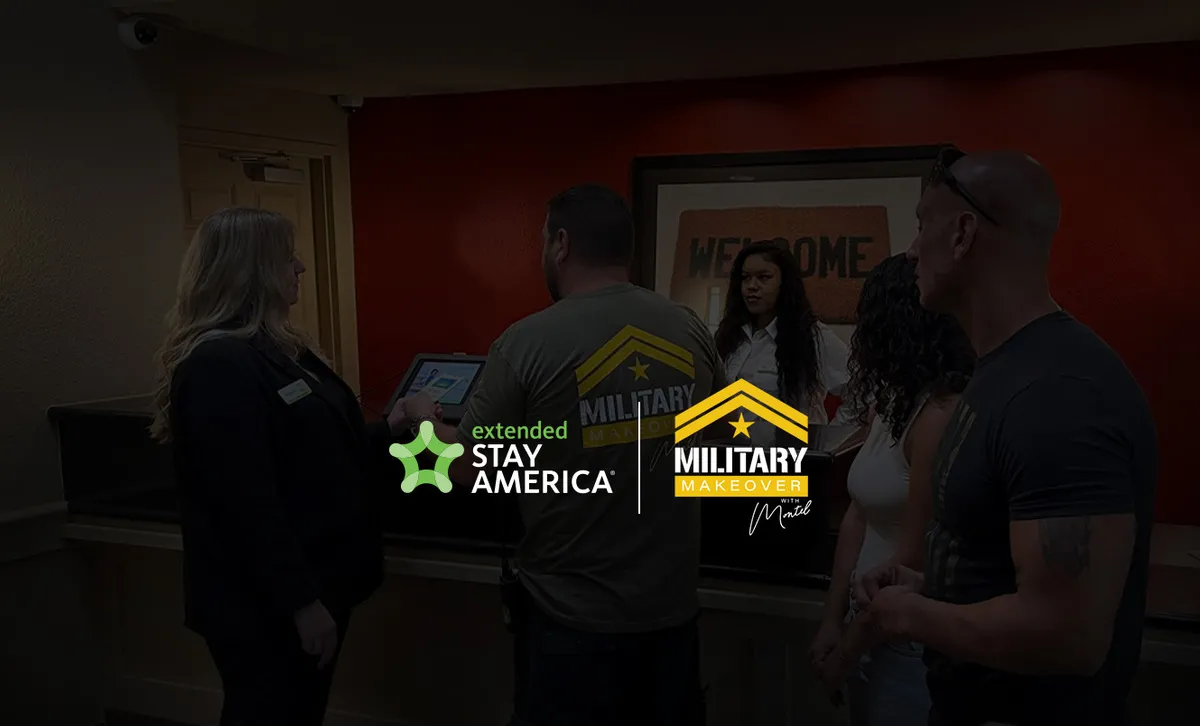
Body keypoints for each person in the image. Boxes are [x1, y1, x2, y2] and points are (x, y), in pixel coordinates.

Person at [853, 148, 1157, 726]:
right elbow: (1005, 569)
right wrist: (928, 586)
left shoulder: (1058, 393)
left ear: (962, 233)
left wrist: (909, 616)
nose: (911, 251)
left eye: (922, 225)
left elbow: (1067, 635)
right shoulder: (999, 373)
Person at [402, 184, 723, 725]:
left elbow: (465, 468)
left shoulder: (527, 342)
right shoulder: (687, 327)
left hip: (570, 627)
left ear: (562, 244)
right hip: (671, 619)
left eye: (543, 239)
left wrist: (422, 418)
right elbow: (716, 443)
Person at [149, 208, 415, 725]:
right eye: (287, 256)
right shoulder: (216, 364)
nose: (300, 267)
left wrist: (391, 427)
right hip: (265, 607)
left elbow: (318, 450)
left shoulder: (282, 350)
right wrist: (301, 602)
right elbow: (245, 503)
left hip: (312, 588)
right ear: (253, 269)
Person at [808, 253, 975, 725]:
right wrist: (832, 620)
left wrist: (845, 654)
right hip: (863, 627)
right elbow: (859, 514)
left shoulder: (939, 416)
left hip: (905, 643)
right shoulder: (895, 402)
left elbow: (911, 564)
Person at [714, 240, 854, 444]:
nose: (752, 286)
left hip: (792, 458)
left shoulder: (812, 336)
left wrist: (827, 439)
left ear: (784, 283)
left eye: (764, 277)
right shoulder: (730, 336)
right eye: (745, 278)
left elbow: (861, 392)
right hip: (731, 457)